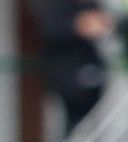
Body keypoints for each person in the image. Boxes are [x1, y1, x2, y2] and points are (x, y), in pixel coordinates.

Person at [27, 0, 114, 135]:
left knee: (90, 120)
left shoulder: (90, 5)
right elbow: (54, 26)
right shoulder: (56, 7)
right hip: (67, 70)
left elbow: (103, 25)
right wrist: (82, 24)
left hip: (90, 69)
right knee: (75, 120)